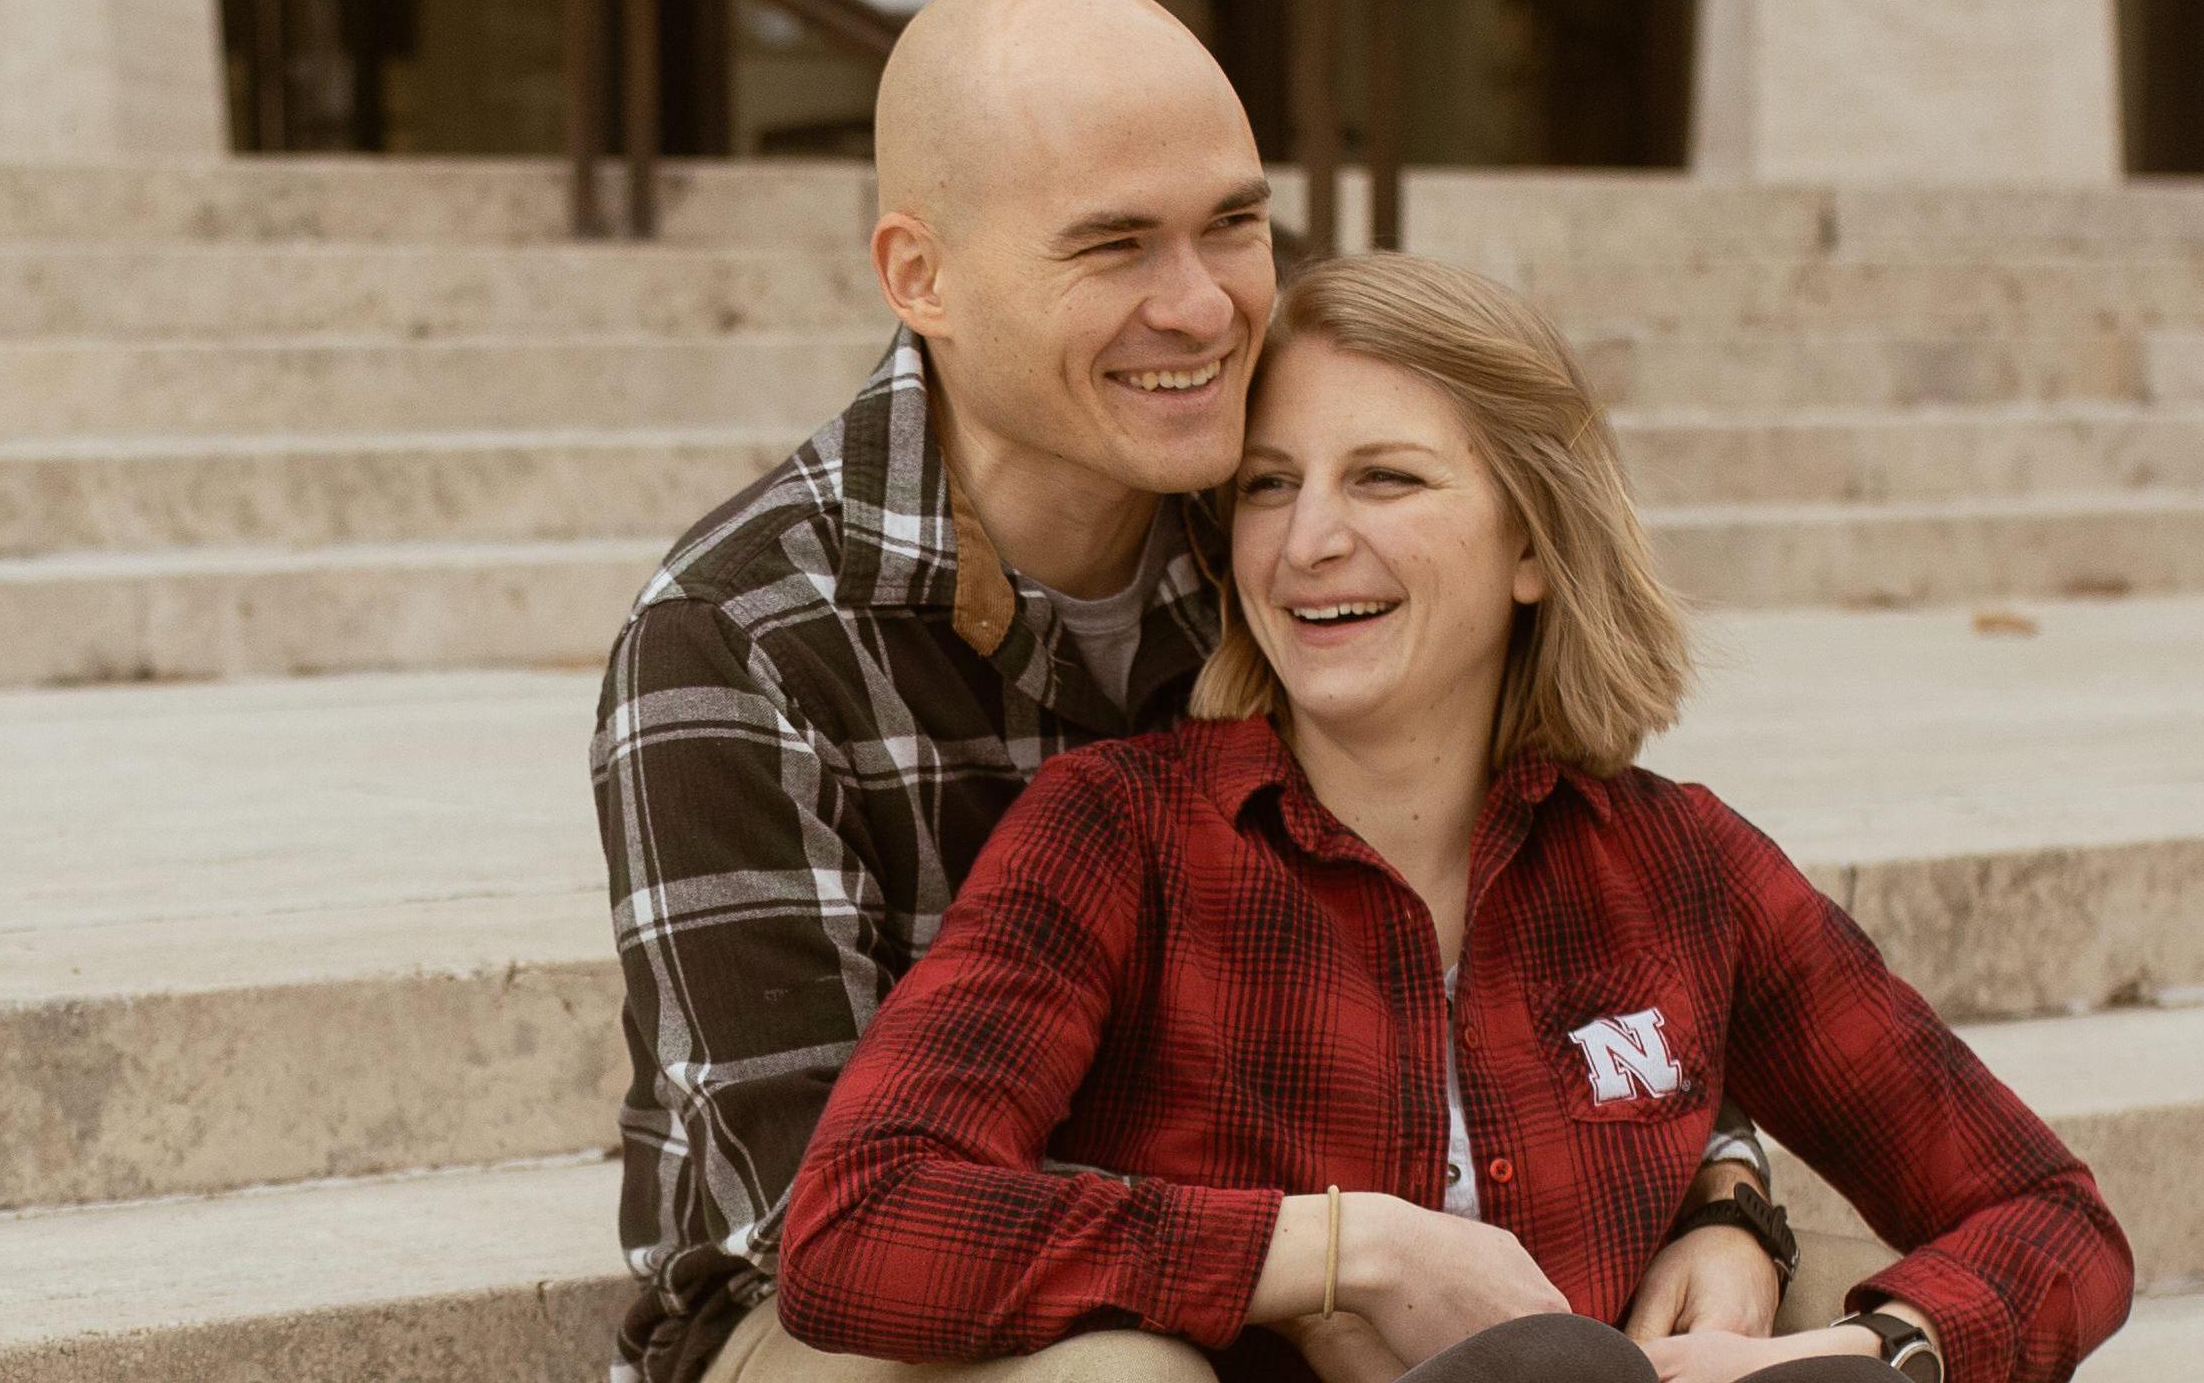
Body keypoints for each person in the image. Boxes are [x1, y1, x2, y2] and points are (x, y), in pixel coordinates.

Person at [591, 0, 1786, 1383]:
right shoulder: (736, 638)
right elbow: (829, 1224)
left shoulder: (1285, 535)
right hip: (856, 1317)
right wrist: (1326, 1255)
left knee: (1799, 1306)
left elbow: (1575, 914)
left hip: (1311, 1240)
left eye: (1233, 225)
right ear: (922, 277)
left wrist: (1722, 1189)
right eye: (1114, 247)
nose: (1204, 307)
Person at [772, 256, 2135, 1383]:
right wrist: (1341, 1252)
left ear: (1532, 543)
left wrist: (1871, 1349)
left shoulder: (1679, 864)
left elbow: (2050, 1216)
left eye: (1386, 478)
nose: (1307, 541)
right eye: (1267, 485)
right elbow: (861, 1220)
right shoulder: (1120, 836)